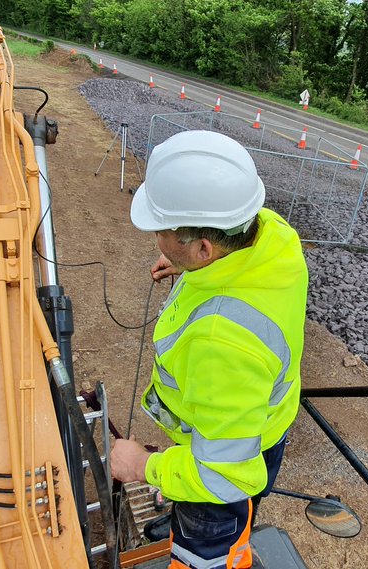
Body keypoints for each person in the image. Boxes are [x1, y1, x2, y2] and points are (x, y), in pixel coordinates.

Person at [110, 130, 308, 569]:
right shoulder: (271, 236)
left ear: (204, 247)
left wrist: (143, 465)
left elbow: (222, 476)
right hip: (263, 429)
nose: (156, 239)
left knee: (207, 555)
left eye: (162, 232)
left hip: (222, 470)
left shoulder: (223, 342)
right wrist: (190, 268)